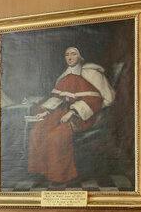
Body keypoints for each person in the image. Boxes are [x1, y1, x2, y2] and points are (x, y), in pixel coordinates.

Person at [25, 45, 114, 184]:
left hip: (86, 114)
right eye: (67, 54)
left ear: (80, 56)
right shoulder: (65, 76)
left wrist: (73, 111)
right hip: (64, 112)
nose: (70, 57)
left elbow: (100, 99)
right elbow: (58, 98)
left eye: (73, 54)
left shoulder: (92, 73)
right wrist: (45, 111)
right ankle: (42, 170)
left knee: (56, 136)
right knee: (37, 131)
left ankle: (59, 175)